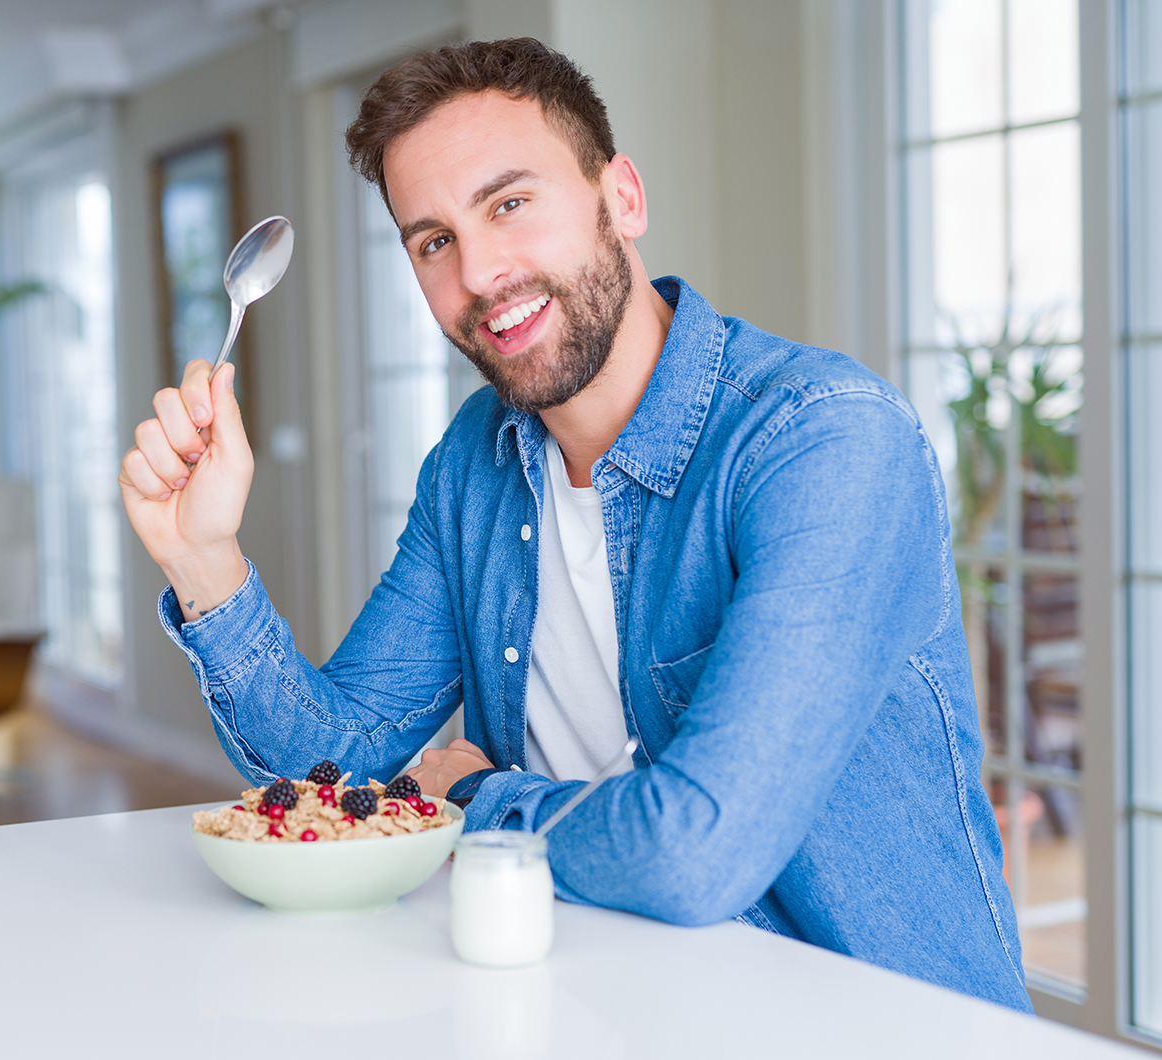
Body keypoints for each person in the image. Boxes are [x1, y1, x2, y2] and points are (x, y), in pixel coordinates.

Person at [118, 38, 1031, 1011]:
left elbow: (697, 852)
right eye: (433, 240)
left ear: (620, 199)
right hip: (600, 1008)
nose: (479, 272)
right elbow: (335, 767)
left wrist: (469, 798)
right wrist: (204, 559)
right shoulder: (476, 462)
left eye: (509, 204)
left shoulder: (823, 441)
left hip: (877, 1027)